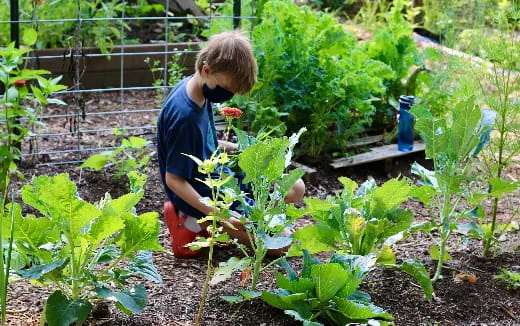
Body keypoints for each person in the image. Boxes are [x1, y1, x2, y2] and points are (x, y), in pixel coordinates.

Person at [157, 30, 305, 258]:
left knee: (296, 187)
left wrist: (246, 151)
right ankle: (191, 222)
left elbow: (207, 145)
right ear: (207, 70)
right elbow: (173, 180)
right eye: (228, 90)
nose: (229, 97)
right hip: (205, 197)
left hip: (223, 179)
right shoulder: (185, 117)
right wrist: (220, 215)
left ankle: (252, 221)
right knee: (282, 245)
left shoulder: (198, 90)